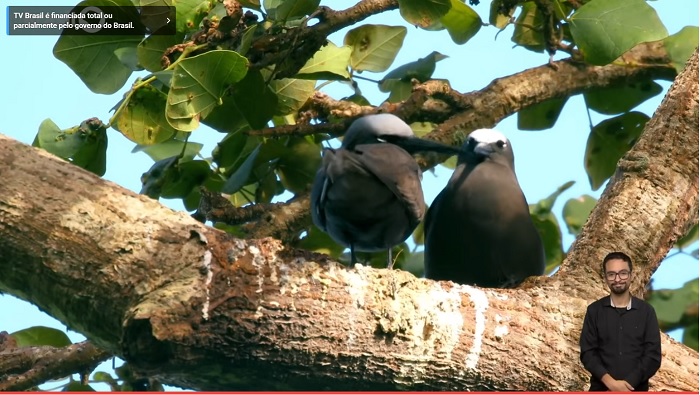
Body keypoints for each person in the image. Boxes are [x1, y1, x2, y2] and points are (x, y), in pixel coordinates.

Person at [579, 251, 662, 392]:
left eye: (623, 273)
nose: (617, 279)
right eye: (611, 274)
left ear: (631, 275)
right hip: (601, 390)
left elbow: (652, 356)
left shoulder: (646, 312)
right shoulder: (594, 311)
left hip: (636, 390)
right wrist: (611, 383)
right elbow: (588, 353)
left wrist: (628, 385)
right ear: (605, 277)